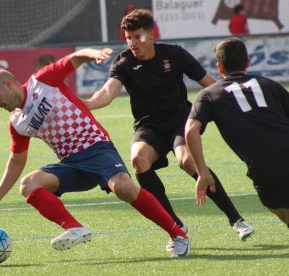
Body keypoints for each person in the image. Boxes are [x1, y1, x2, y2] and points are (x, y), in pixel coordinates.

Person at [0, 48, 191, 257]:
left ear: (9, 84)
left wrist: (93, 54)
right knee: (29, 185)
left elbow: (74, 58)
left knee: (124, 187)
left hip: (96, 148)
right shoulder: (17, 123)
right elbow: (16, 161)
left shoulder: (42, 81)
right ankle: (74, 228)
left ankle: (178, 235)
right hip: (72, 165)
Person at [82, 9, 254, 251]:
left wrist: (236, 100)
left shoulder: (174, 54)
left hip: (180, 121)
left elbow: (209, 84)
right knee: (138, 160)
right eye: (128, 37)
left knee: (187, 162)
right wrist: (84, 105)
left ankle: (237, 219)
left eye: (137, 36)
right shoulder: (124, 62)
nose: (132, 42)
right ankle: (175, 226)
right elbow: (107, 93)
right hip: (148, 126)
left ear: (151, 35)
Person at [185, 37, 289, 229]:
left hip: (267, 167)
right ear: (248, 62)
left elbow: (191, 130)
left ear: (219, 67)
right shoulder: (270, 85)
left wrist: (202, 172)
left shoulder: (209, 94)